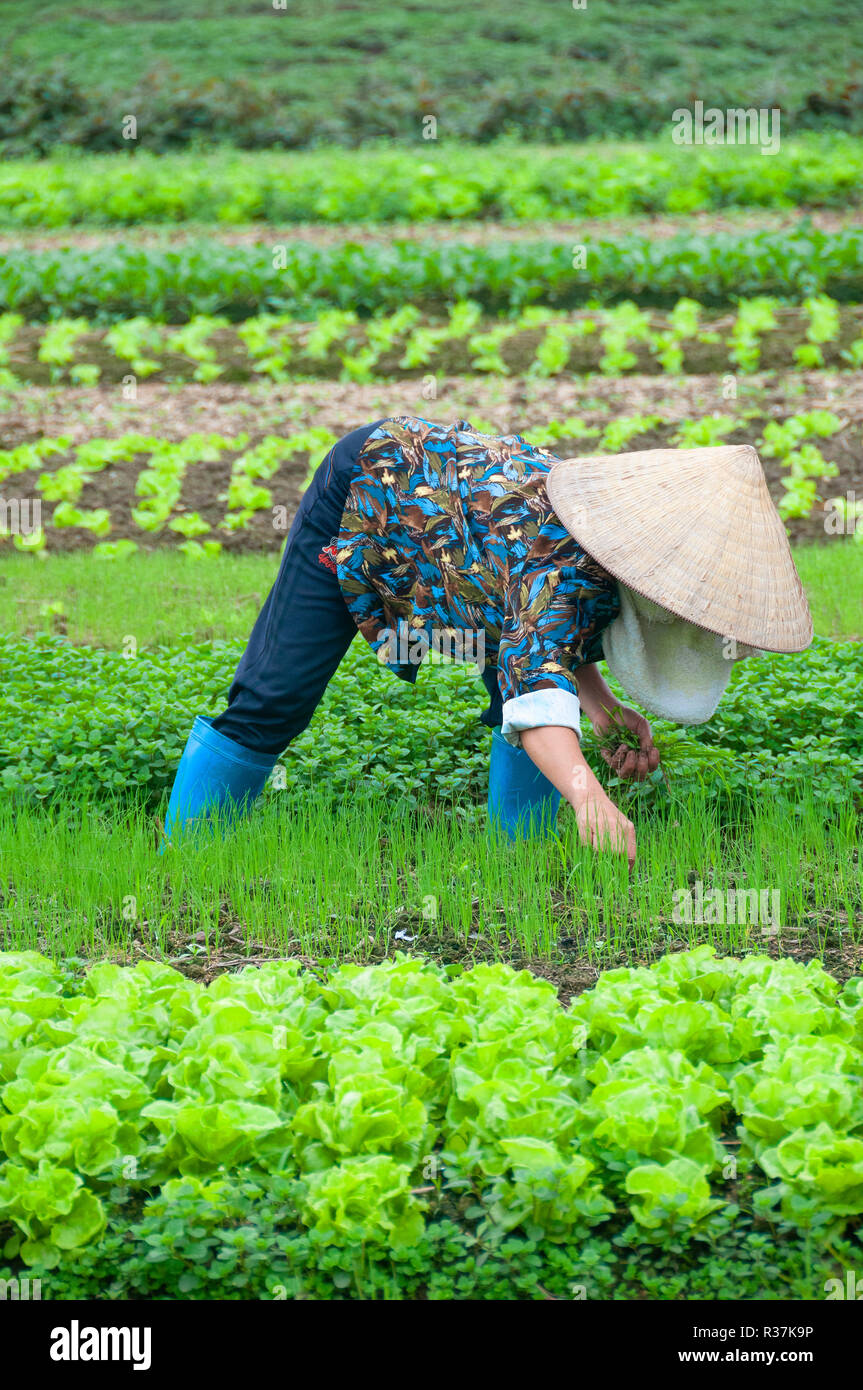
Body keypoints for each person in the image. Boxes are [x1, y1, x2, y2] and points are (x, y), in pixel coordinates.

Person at [161, 416, 812, 865]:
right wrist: (588, 798)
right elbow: (537, 668)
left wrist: (601, 707)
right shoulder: (560, 563)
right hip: (369, 492)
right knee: (275, 698)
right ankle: (182, 869)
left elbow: (543, 641)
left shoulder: (603, 552)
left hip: (477, 541)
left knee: (523, 694)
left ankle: (518, 871)